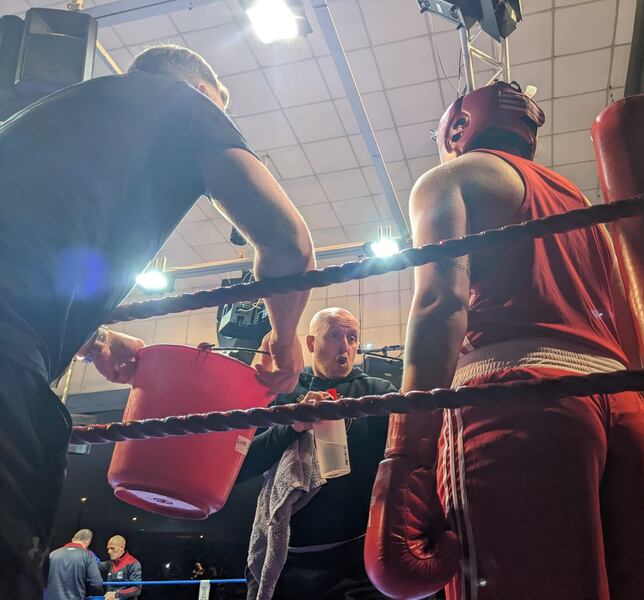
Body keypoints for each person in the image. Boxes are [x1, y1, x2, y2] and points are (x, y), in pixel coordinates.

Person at [0, 44, 315, 599]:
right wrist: (286, 337)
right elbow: (288, 245)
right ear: (200, 93)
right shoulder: (184, 105)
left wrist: (90, 338)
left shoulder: (47, 113)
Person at [366, 81, 644, 600]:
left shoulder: (453, 177)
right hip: (625, 410)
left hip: (516, 401)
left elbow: (440, 302)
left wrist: (404, 459)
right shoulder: (580, 203)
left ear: (457, 130)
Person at [239, 307, 395, 600]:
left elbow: (402, 462)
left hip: (358, 556)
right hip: (289, 555)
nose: (345, 346)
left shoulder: (379, 392)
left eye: (352, 337)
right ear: (311, 344)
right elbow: (241, 464)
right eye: (334, 335)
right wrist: (293, 425)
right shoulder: (284, 392)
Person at [45, 529, 103, 600]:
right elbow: (97, 584)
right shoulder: (88, 555)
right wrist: (84, 592)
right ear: (88, 542)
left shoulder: (52, 554)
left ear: (73, 539)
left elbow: (42, 579)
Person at [99, 536, 141, 600]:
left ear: (122, 547)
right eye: (108, 549)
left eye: (112, 548)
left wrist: (117, 594)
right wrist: (85, 553)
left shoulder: (133, 563)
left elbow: (137, 588)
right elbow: (96, 564)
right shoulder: (111, 563)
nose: (109, 551)